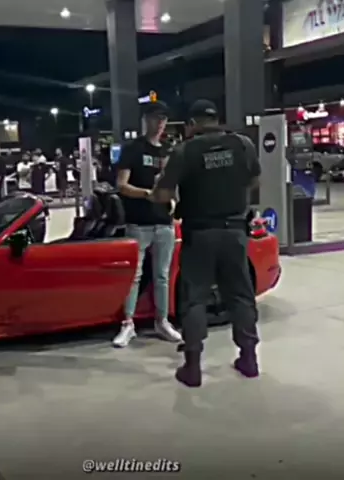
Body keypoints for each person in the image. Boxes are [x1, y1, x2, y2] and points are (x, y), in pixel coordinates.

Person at [151, 99, 261, 388]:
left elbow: (162, 195)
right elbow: (254, 180)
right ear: (216, 119)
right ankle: (249, 359)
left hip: (200, 234)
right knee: (240, 295)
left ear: (191, 124)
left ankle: (192, 367)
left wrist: (163, 189)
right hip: (235, 231)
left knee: (195, 298)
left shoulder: (185, 150)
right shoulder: (242, 144)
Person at [113, 100, 181, 348]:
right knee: (134, 276)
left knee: (162, 276)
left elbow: (174, 185)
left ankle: (161, 321)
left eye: (163, 119)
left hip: (164, 223)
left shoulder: (169, 151)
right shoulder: (132, 149)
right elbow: (121, 185)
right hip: (138, 223)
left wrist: (175, 204)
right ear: (146, 120)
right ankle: (128, 324)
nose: (160, 123)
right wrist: (147, 194)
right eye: (155, 118)